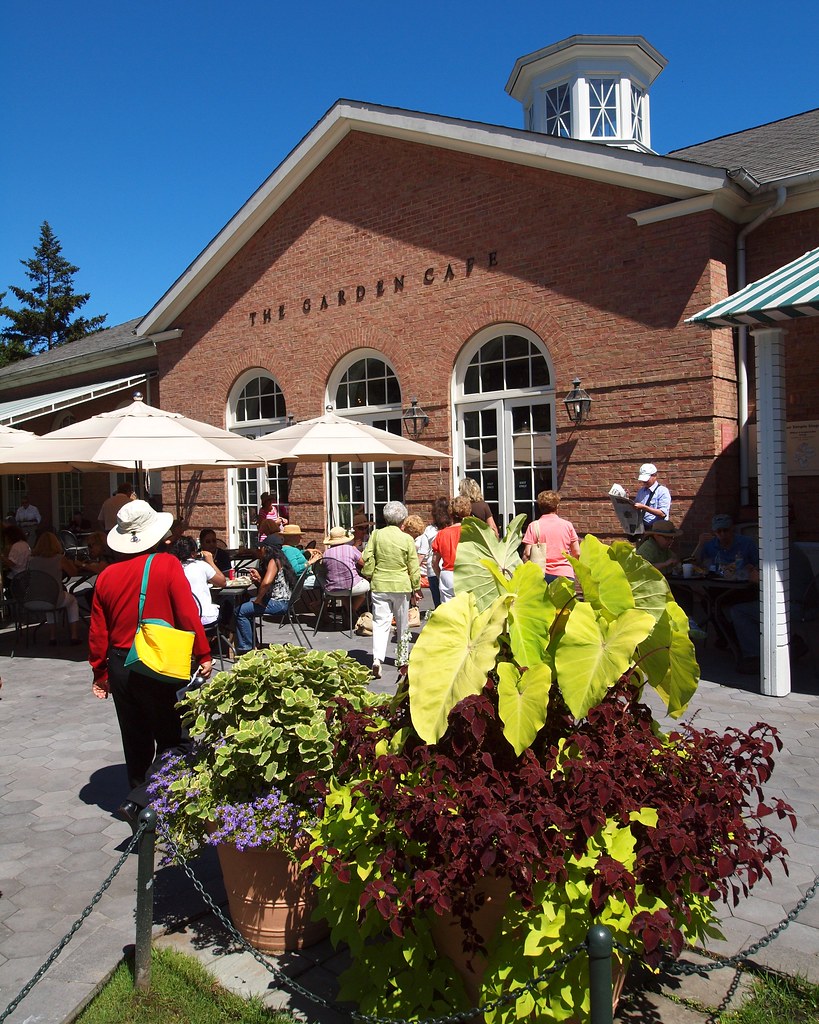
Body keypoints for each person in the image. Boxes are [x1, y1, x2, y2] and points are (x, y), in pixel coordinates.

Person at [89, 500, 212, 828]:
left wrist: (100, 672)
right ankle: (141, 801)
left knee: (136, 740)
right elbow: (187, 614)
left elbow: (98, 631)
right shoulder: (166, 564)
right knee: (177, 740)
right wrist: (203, 653)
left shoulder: (106, 576)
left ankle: (142, 817)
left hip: (119, 661)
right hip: (157, 660)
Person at [729, 542, 814, 674]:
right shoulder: (792, 550)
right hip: (807, 604)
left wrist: (753, 573)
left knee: (739, 611)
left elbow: (759, 579)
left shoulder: (776, 551)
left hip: (793, 607)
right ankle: (788, 645)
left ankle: (756, 656)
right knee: (752, 605)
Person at [360, 501, 421, 679]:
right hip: (401, 585)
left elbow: (366, 556)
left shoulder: (376, 534)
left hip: (380, 583)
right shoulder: (407, 539)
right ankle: (402, 659)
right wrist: (416, 587)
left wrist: (369, 572)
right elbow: (413, 565)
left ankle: (377, 659)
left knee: (380, 623)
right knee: (402, 623)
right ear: (403, 519)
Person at [234, 543, 298, 655]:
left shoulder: (274, 561)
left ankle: (246, 649)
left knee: (240, 611)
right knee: (245, 604)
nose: (259, 550)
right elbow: (272, 584)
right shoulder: (280, 560)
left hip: (279, 603)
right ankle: (254, 644)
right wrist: (259, 579)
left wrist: (258, 599)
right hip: (284, 601)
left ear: (267, 548)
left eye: (261, 548)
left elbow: (267, 583)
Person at [28, 532, 82, 644]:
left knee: (48, 597)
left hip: (35, 598)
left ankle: (52, 636)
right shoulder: (59, 559)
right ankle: (74, 636)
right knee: (72, 601)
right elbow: (73, 573)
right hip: (55, 597)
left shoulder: (31, 561)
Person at [521, 490, 581, 583]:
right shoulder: (567, 525)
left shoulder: (533, 526)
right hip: (565, 573)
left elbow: (527, 553)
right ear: (557, 507)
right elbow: (576, 553)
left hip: (541, 574)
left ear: (540, 507)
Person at [171, 535, 226, 626]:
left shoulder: (173, 569)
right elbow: (222, 582)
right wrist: (210, 562)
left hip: (182, 620)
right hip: (204, 617)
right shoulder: (201, 565)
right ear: (193, 553)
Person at [322, 526, 371, 617]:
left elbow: (325, 569)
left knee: (344, 592)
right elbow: (363, 563)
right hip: (352, 587)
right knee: (365, 586)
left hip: (333, 589)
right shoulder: (350, 549)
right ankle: (351, 612)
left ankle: (348, 611)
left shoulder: (326, 553)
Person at [431, 495, 472, 603]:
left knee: (448, 610)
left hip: (448, 574)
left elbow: (434, 562)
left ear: (450, 512)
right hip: (468, 573)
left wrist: (440, 576)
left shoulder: (442, 534)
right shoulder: (472, 532)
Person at [421, 497, 452, 608]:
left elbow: (422, 553)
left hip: (433, 570)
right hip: (449, 569)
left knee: (438, 606)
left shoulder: (429, 530)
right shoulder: (453, 528)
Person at [632, 464, 671, 530]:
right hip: (642, 527)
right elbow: (636, 506)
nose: (644, 481)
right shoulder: (641, 491)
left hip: (657, 529)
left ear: (654, 476)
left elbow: (662, 513)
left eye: (647, 479)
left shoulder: (662, 491)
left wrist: (644, 507)